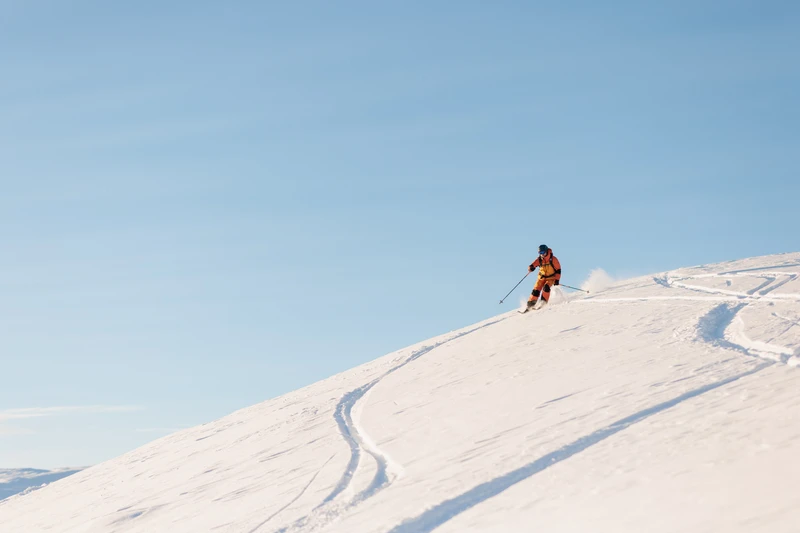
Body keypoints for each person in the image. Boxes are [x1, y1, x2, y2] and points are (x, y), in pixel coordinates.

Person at [526, 244, 561, 311]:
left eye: (543, 253)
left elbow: (558, 270)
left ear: (547, 251)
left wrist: (557, 280)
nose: (542, 254)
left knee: (546, 288)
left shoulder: (553, 259)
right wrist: (531, 268)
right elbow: (532, 265)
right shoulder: (539, 259)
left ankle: (543, 303)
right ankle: (530, 305)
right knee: (535, 291)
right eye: (540, 253)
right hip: (541, 278)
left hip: (550, 278)